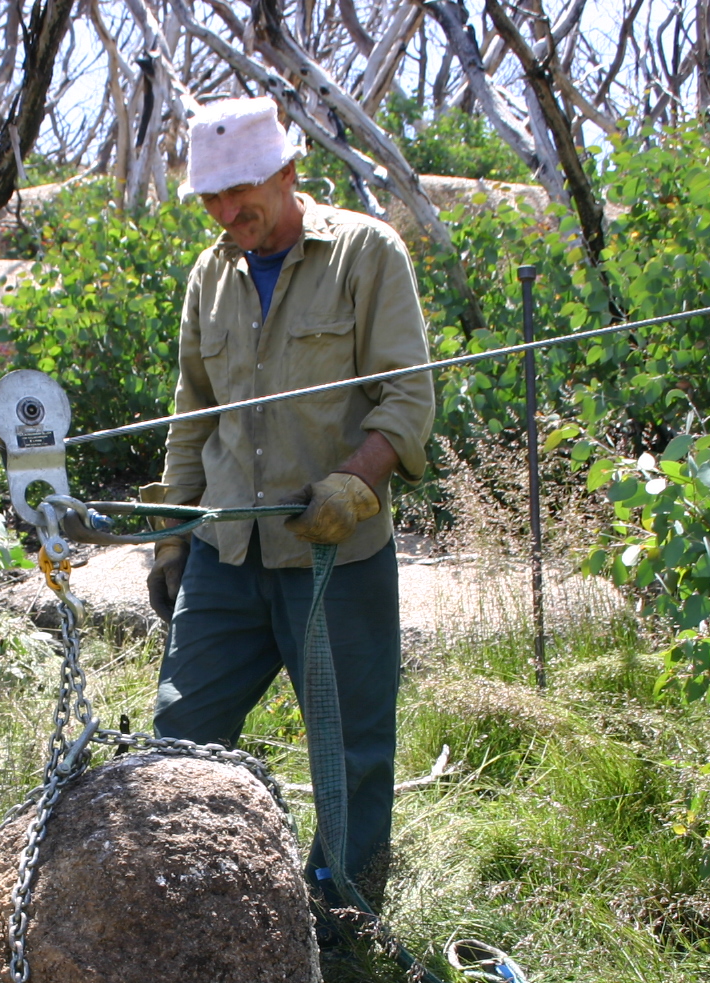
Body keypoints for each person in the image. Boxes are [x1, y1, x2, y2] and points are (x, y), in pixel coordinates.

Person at [143, 95, 434, 908]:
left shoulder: (365, 255)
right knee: (178, 745)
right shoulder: (211, 274)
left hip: (335, 559)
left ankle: (342, 930)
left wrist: (357, 479)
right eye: (211, 198)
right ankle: (186, 912)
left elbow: (408, 399)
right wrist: (172, 537)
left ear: (287, 170)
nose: (228, 213)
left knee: (351, 757)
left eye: (242, 193)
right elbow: (191, 416)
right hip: (225, 558)